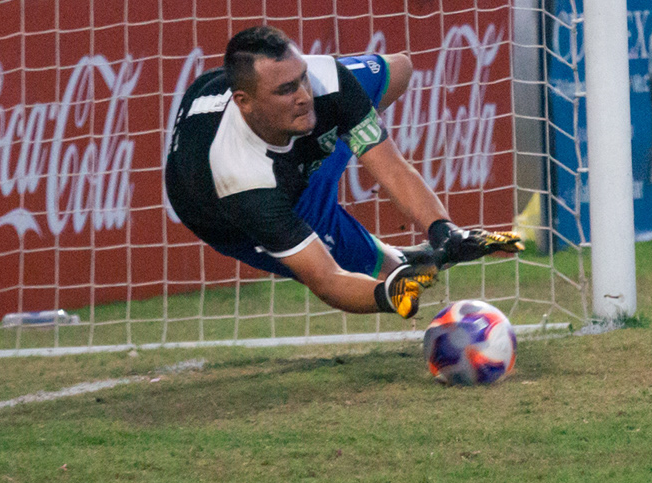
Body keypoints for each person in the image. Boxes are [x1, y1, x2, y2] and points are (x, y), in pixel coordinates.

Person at [164, 25, 524, 318]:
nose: (304, 95)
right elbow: (327, 280)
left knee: (398, 69)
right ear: (245, 102)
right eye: (287, 89)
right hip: (231, 211)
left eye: (302, 78)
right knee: (388, 271)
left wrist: (444, 229)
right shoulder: (243, 180)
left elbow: (393, 170)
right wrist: (388, 295)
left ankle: (428, 242)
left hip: (290, 146)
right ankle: (411, 258)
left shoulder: (325, 82)